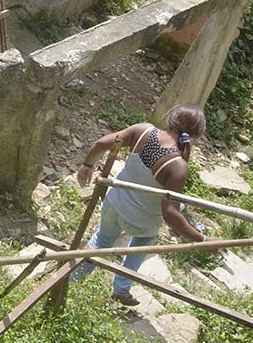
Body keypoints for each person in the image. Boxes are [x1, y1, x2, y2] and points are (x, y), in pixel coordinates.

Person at [71, 103, 214, 306]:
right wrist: (201, 239)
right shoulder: (178, 166)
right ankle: (122, 287)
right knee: (141, 244)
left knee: (101, 240)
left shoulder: (142, 131)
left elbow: (103, 143)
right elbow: (171, 214)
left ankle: (71, 280)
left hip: (113, 204)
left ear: (170, 117)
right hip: (141, 222)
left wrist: (87, 165)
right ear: (194, 134)